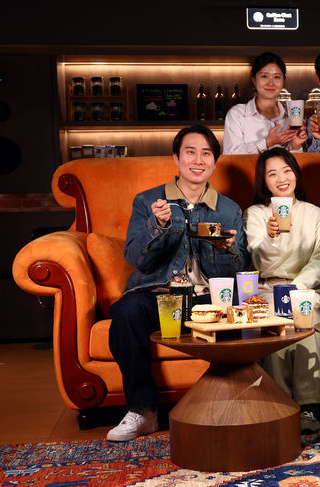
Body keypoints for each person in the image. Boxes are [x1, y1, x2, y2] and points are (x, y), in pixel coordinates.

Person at [107, 125, 249, 442]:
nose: (198, 160)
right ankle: (143, 411)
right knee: (128, 311)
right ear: (176, 157)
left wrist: (226, 250)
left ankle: (244, 404)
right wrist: (157, 226)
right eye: (190, 152)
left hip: (209, 301)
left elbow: (239, 271)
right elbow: (136, 259)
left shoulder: (228, 209)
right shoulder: (148, 201)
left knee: (249, 311)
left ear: (215, 161)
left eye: (206, 153)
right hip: (161, 298)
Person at [243, 147, 320, 434]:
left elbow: (319, 260)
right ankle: (278, 403)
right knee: (273, 318)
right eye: (272, 174)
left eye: (286, 170)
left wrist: (296, 288)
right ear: (264, 181)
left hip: (305, 286)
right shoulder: (255, 214)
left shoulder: (315, 214)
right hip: (267, 287)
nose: (281, 178)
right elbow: (257, 260)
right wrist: (271, 236)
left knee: (309, 315)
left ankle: (311, 406)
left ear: (295, 174)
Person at [223, 52, 307, 154]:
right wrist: (266, 143)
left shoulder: (291, 117)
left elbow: (294, 162)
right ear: (254, 79)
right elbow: (230, 156)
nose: (270, 83)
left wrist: (295, 145)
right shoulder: (237, 114)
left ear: (283, 81)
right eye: (264, 76)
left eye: (277, 77)